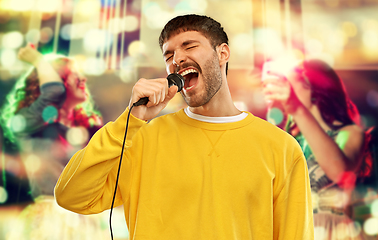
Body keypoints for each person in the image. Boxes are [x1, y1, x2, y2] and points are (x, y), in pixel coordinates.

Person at [55, 14, 314, 240]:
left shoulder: (280, 148)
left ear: (222, 53)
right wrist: (130, 120)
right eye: (169, 55)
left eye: (189, 46)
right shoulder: (140, 138)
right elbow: (71, 196)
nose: (177, 59)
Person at [0, 45, 106, 239]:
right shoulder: (30, 122)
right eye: (74, 74)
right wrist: (40, 62)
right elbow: (53, 92)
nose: (83, 79)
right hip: (47, 224)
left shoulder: (80, 128)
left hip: (81, 220)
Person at [262, 59, 369, 239]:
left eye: (289, 83)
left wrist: (296, 108)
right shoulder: (288, 138)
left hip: (330, 229)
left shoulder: (349, 133)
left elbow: (339, 171)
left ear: (313, 88)